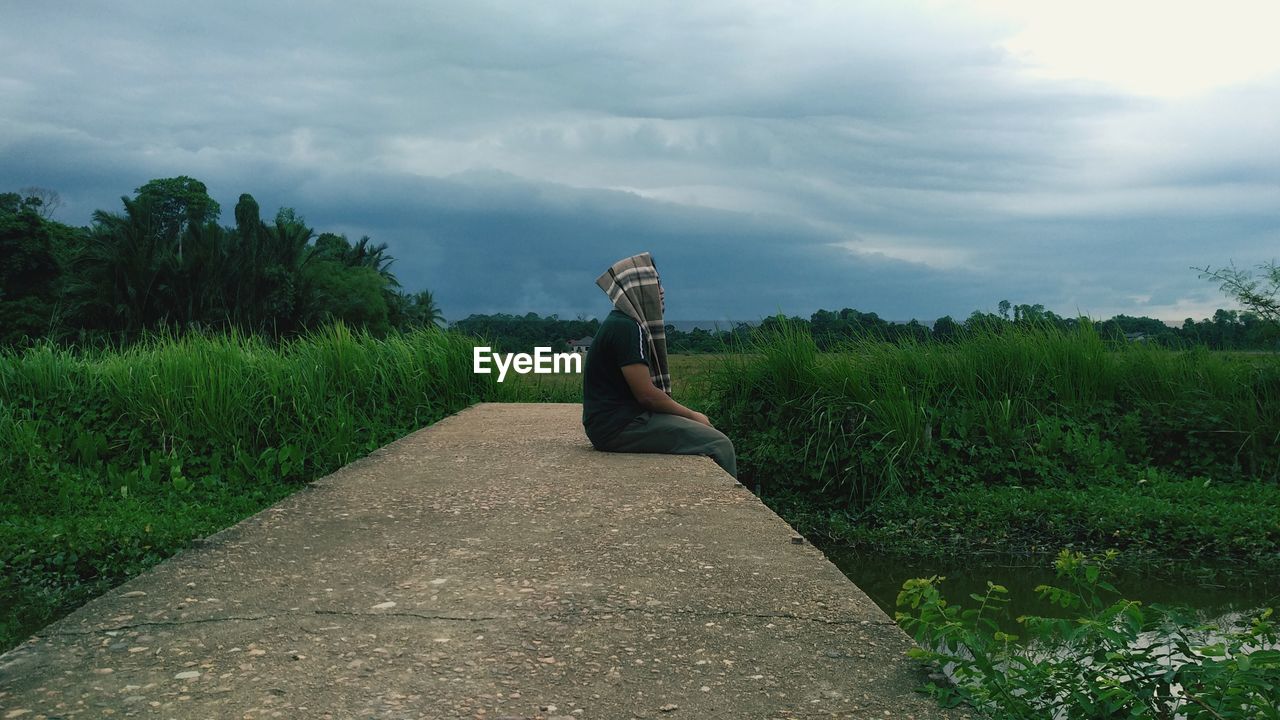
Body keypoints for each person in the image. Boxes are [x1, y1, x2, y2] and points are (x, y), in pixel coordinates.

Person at [581, 252, 738, 480]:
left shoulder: (622, 323)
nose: (662, 291)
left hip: (613, 423)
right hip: (619, 427)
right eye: (654, 283)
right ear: (638, 289)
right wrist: (693, 415)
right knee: (720, 443)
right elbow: (647, 396)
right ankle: (730, 507)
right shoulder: (627, 327)